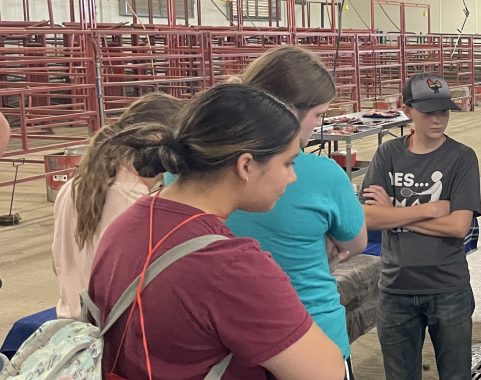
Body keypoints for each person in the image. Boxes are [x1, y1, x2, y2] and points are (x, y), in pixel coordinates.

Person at [89, 84, 344, 380]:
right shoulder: (230, 265)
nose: (292, 176)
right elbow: (326, 372)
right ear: (246, 165)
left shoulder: (127, 224)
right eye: (287, 163)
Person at [223, 45, 366, 377]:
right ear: (286, 111)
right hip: (310, 335)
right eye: (317, 115)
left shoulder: (193, 170)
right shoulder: (321, 173)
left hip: (229, 345)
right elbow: (355, 243)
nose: (317, 127)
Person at [361, 73, 481, 380]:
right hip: (396, 288)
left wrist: (395, 213)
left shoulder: (462, 158)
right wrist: (428, 210)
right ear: (407, 109)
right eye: (428, 112)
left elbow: (458, 226)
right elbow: (369, 219)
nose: (438, 120)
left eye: (443, 112)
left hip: (448, 287)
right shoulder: (388, 154)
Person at [52, 93, 184, 320]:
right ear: (158, 140)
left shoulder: (72, 187)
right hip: (112, 334)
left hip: (71, 328)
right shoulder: (136, 203)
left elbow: (58, 265)